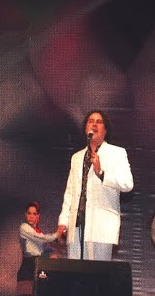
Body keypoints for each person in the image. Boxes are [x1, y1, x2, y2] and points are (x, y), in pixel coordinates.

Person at [57, 110, 133, 261]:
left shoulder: (116, 153)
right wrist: (63, 222)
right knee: (75, 271)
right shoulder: (77, 158)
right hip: (76, 225)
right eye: (91, 121)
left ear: (105, 130)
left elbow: (127, 184)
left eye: (99, 122)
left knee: (98, 272)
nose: (94, 124)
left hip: (101, 226)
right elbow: (70, 192)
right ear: (86, 128)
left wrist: (101, 172)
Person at [17, 201, 60, 296]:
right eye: (29, 213)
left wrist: (54, 253)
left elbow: (45, 249)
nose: (31, 216)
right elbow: (41, 239)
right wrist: (58, 234)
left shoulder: (39, 232)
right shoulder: (24, 227)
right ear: (25, 215)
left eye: (34, 214)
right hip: (27, 268)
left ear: (38, 216)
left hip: (38, 267)